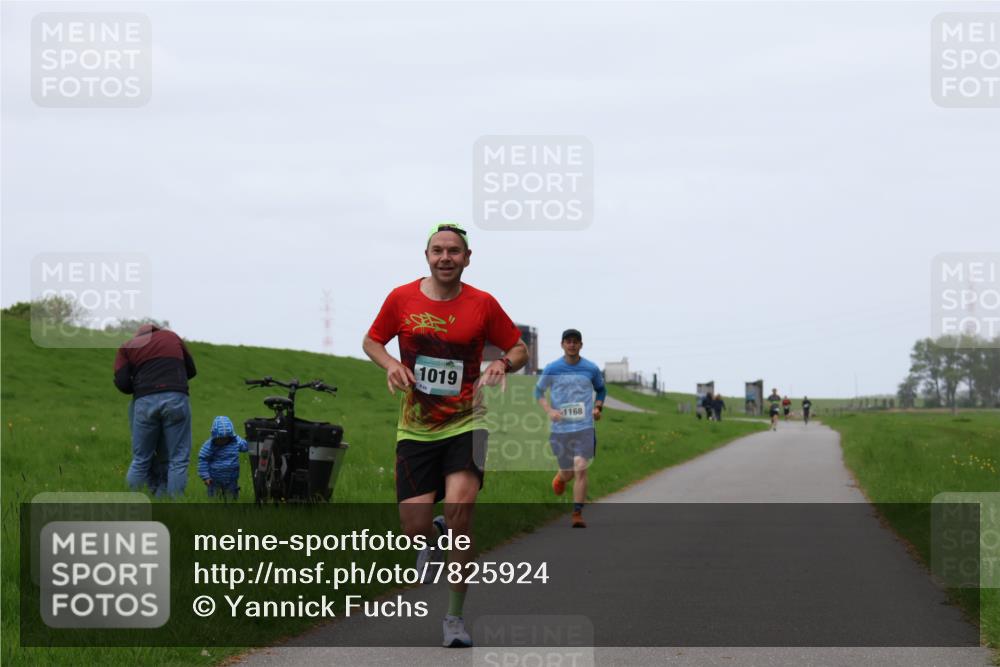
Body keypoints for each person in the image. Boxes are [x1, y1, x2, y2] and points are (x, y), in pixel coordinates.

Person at [362, 222, 528, 649]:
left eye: (454, 251)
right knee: (412, 528)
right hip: (415, 427)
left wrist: (501, 365)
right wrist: (391, 365)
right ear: (427, 256)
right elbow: (372, 340)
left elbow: (518, 347)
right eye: (438, 250)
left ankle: (454, 619)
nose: (445, 257)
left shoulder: (482, 304)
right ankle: (431, 535)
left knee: (461, 511)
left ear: (467, 258)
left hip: (466, 422)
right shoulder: (401, 298)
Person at [114, 323, 197, 497]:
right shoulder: (172, 337)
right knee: (178, 459)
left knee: (141, 459)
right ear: (157, 330)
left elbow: (122, 383)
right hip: (176, 397)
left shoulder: (128, 346)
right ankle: (175, 507)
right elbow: (191, 370)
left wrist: (139, 384)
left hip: (144, 401)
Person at [535, 328, 606, 529]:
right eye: (568, 341)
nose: (572, 344)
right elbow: (538, 391)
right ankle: (561, 477)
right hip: (560, 429)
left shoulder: (591, 369)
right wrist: (549, 410)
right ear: (562, 344)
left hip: (584, 427)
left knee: (581, 466)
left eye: (576, 341)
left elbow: (601, 389)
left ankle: (577, 513)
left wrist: (598, 407)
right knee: (568, 473)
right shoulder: (552, 368)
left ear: (581, 345)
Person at [197, 416, 248, 500]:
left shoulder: (235, 441)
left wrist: (249, 438)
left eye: (225, 439)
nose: (222, 441)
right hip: (214, 479)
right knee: (215, 497)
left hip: (232, 477)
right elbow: (203, 459)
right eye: (219, 439)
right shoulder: (210, 445)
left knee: (231, 496)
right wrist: (205, 477)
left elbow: (245, 447)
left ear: (230, 436)